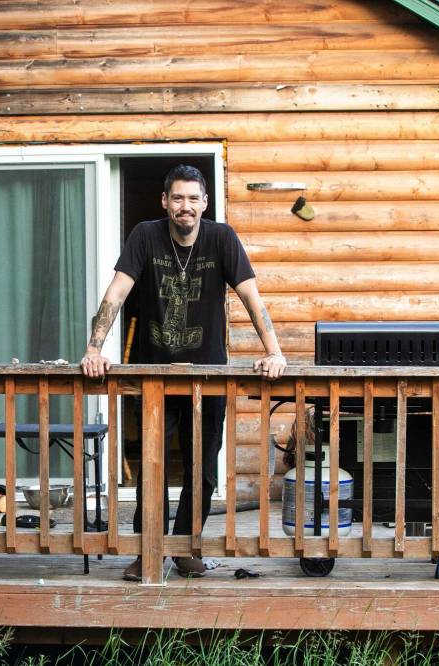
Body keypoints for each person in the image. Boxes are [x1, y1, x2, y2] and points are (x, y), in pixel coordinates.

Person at [80, 164, 286, 581]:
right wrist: (94, 349)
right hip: (155, 377)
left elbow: (251, 297)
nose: (185, 206)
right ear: (165, 202)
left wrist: (274, 352)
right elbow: (116, 293)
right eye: (177, 198)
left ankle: (186, 546)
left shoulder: (221, 239)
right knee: (152, 467)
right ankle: (148, 550)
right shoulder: (145, 236)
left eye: (193, 198)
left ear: (205, 203)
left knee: (203, 469)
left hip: (207, 378)